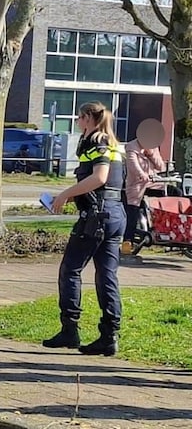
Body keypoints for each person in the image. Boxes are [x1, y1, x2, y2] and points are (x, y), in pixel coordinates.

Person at [44, 101, 126, 356]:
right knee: (107, 275)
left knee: (70, 269)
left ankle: (70, 330)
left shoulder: (95, 141)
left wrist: (64, 194)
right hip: (115, 213)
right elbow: (109, 184)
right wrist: (71, 197)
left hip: (96, 217)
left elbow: (99, 177)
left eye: (80, 118)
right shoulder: (113, 144)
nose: (78, 123)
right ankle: (109, 336)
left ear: (89, 118)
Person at [121, 136, 164, 257]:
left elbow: (161, 167)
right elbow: (133, 166)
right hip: (137, 184)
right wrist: (142, 174)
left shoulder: (153, 147)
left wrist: (151, 154)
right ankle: (127, 242)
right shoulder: (131, 147)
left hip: (154, 184)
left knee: (175, 193)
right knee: (133, 211)